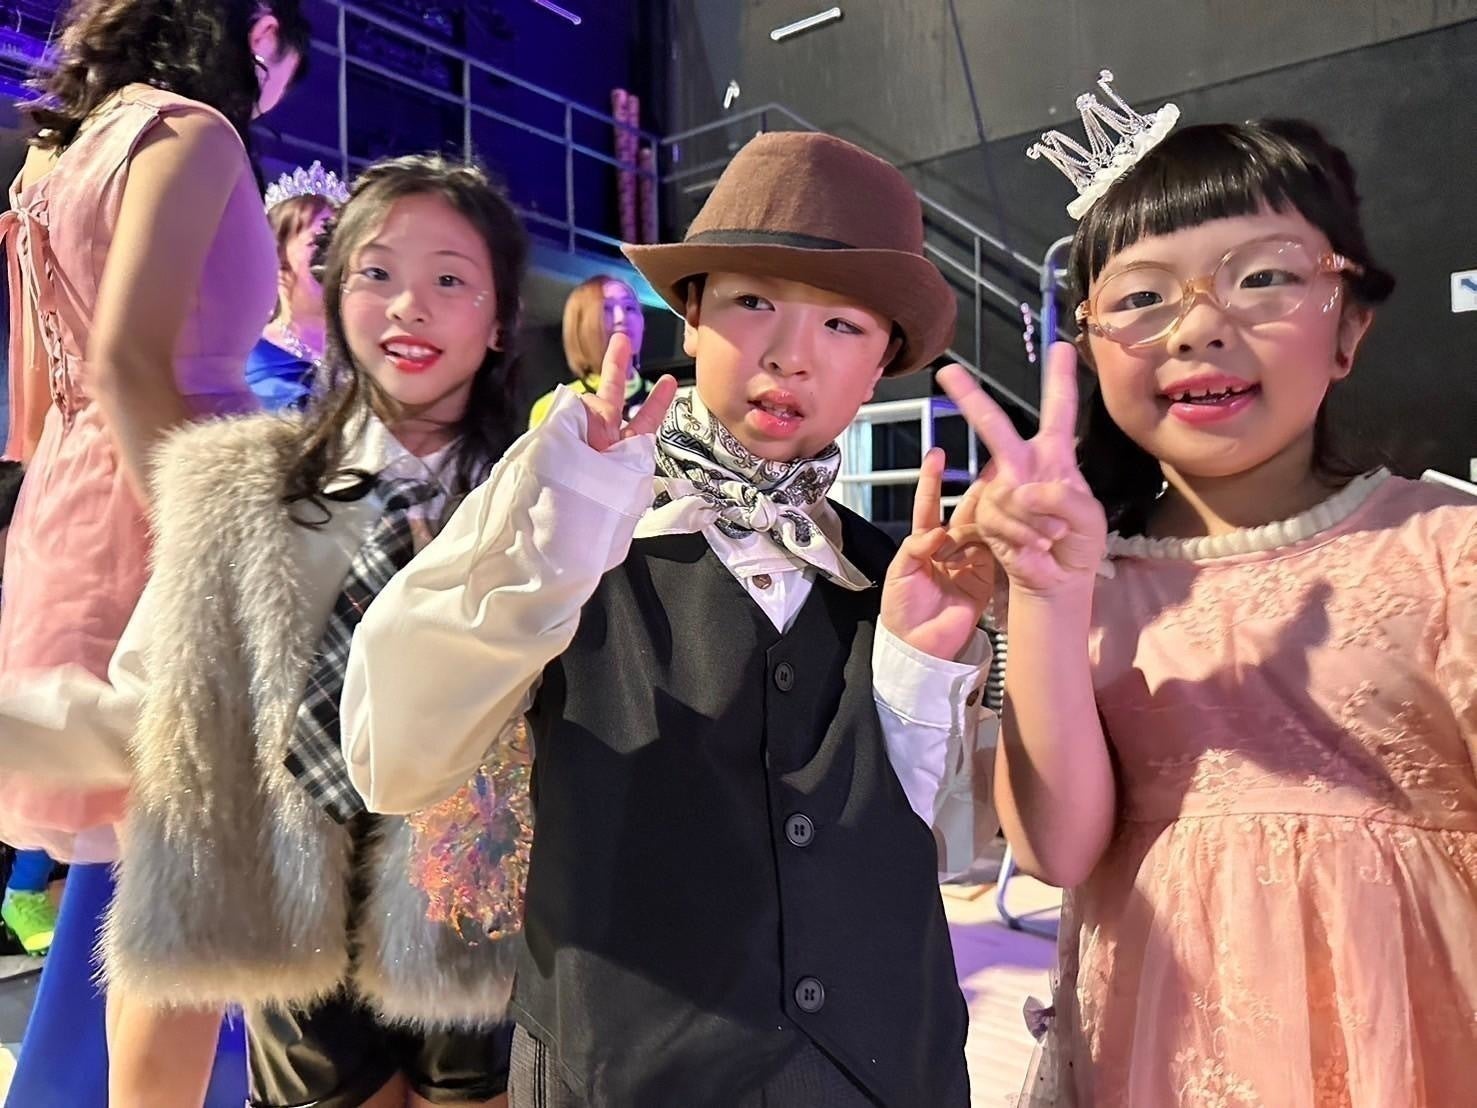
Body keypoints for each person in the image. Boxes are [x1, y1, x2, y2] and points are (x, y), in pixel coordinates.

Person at [342, 131, 999, 1107]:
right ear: (689, 317)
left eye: (841, 325)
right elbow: (393, 760)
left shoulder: (891, 573)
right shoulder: (570, 509)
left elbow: (934, 853)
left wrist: (919, 661)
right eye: (753, 303)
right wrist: (552, 554)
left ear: (881, 366)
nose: (789, 354)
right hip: (621, 1072)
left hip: (886, 1071)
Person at [938, 105, 1477, 1105]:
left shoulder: (1447, 548)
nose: (1196, 326)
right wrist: (1045, 598)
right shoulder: (1090, 582)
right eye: (1142, 297)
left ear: (1348, 325)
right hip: (1150, 1058)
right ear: (1090, 347)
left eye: (1262, 277)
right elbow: (1054, 849)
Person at [72, 154, 524, 1108]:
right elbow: (164, 686)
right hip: (295, 883)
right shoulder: (238, 483)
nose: (409, 306)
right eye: (376, 272)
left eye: (450, 279)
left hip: (480, 888)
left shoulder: (539, 501)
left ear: (498, 320)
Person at [0, 0, 308, 1103]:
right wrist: (208, 551)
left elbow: (35, 407)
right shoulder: (192, 131)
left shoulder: (52, 154)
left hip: (72, 511)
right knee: (189, 920)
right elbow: (131, 363)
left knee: (157, 902)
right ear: (253, 33)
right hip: (171, 507)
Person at [245, 160, 348, 409]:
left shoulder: (366, 349)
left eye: (343, 243)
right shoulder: (249, 357)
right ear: (277, 256)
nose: (336, 257)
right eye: (319, 242)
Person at [527, 274, 649, 428]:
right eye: (606, 308)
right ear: (580, 326)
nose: (621, 318)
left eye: (630, 308)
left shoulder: (668, 401)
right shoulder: (556, 407)